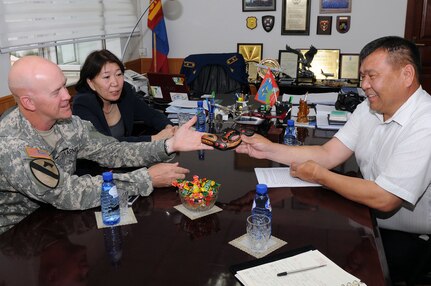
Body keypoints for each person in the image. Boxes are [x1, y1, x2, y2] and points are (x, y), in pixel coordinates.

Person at [236, 36, 431, 283]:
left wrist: (320, 176)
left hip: (406, 236)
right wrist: (267, 149)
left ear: (406, 74)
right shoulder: (370, 108)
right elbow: (328, 154)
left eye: (372, 76)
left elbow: (385, 198)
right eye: (362, 76)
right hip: (365, 214)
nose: (364, 85)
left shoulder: (426, 121)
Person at [0, 55, 212, 234]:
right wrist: (146, 178)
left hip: (55, 219)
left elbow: (111, 150)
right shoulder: (13, 145)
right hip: (19, 239)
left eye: (65, 86)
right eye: (56, 92)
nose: (67, 96)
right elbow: (67, 192)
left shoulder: (68, 123)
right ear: (28, 102)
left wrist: (168, 145)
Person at [73, 49, 175, 143]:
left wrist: (169, 127)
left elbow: (150, 114)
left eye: (119, 74)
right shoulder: (83, 104)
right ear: (91, 83)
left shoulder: (125, 91)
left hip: (127, 160)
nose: (115, 83)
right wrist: (155, 138)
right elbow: (104, 144)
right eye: (106, 77)